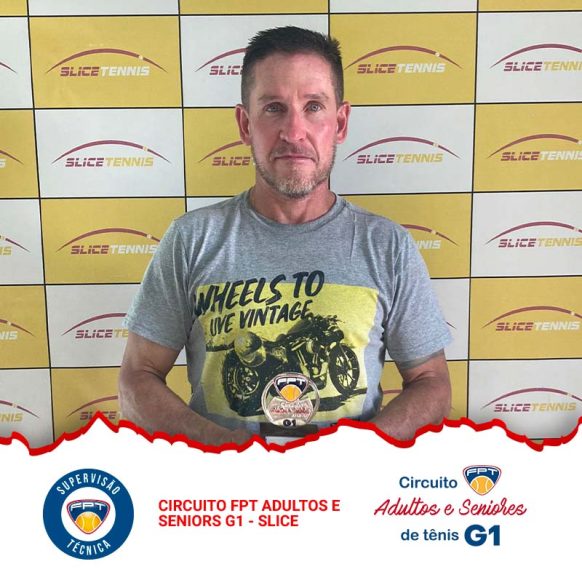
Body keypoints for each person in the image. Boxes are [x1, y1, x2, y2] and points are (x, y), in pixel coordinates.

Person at [119, 26, 452, 445]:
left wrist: (359, 452)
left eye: (313, 107)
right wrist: (224, 449)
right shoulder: (191, 240)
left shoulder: (387, 246)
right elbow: (136, 378)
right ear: (245, 124)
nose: (294, 132)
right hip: (226, 482)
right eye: (274, 108)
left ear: (340, 122)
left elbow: (432, 382)